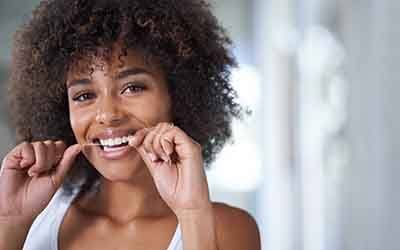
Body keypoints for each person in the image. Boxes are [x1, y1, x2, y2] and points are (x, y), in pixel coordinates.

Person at [0, 0, 261, 249]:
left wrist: (193, 214)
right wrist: (10, 223)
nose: (107, 114)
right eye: (84, 95)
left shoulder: (227, 229)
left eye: (133, 87)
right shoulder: (31, 217)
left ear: (179, 95)